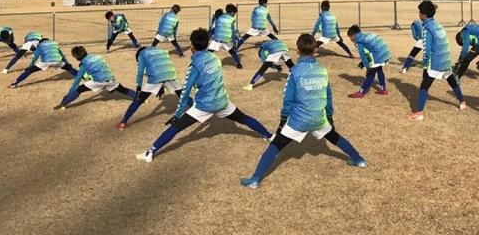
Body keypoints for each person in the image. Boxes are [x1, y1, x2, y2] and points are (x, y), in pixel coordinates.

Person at [240, 34, 366, 189]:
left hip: (298, 120)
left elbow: (288, 99)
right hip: (319, 117)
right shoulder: (322, 70)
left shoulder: (295, 71)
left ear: (298, 50)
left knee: (275, 145)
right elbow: (328, 97)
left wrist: (283, 120)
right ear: (315, 49)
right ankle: (359, 159)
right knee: (334, 137)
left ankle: (255, 179)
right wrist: (329, 115)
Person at [135, 28, 272, 162]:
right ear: (207, 43)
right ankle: (269, 135)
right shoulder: (215, 58)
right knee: (244, 118)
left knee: (176, 128)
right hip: (222, 101)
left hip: (203, 106)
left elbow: (185, 91)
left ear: (192, 45)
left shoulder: (194, 65)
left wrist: (177, 115)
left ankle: (150, 152)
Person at [408, 1, 466, 121]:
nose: (419, 15)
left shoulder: (426, 28)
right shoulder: (438, 25)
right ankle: (462, 101)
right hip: (445, 59)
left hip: (435, 61)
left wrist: (425, 64)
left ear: (423, 14)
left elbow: (427, 49)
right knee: (452, 81)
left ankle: (419, 113)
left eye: (419, 12)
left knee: (424, 86)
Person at [116, 46, 182, 130]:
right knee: (184, 96)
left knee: (138, 100)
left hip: (156, 78)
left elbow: (140, 72)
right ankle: (199, 113)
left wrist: (138, 88)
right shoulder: (162, 50)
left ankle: (123, 122)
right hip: (170, 74)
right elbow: (164, 66)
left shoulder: (142, 54)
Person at [53, 46, 137, 110]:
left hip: (99, 81)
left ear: (77, 58)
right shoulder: (98, 56)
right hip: (110, 79)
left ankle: (63, 104)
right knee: (123, 89)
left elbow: (77, 80)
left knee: (79, 89)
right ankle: (139, 98)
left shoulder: (83, 64)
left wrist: (69, 94)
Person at [10, 38, 78, 88]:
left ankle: (15, 83)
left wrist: (30, 66)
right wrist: (67, 63)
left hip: (45, 61)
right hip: (57, 60)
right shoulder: (55, 44)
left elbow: (35, 57)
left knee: (29, 71)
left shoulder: (40, 45)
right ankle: (85, 77)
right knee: (70, 68)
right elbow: (62, 55)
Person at [346, 25, 392, 98]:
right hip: (385, 52)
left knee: (371, 74)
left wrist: (365, 65)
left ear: (353, 35)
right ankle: (383, 89)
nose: (350, 39)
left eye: (350, 37)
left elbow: (363, 54)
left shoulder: (359, 41)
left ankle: (361, 92)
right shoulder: (365, 35)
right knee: (379, 69)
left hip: (378, 54)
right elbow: (369, 50)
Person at [209, 3, 243, 69]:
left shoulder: (219, 17)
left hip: (217, 39)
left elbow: (215, 28)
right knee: (232, 52)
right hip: (226, 40)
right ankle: (239, 64)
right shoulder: (231, 19)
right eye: (234, 13)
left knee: (210, 51)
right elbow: (232, 32)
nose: (234, 15)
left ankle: (205, 62)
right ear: (232, 12)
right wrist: (233, 42)